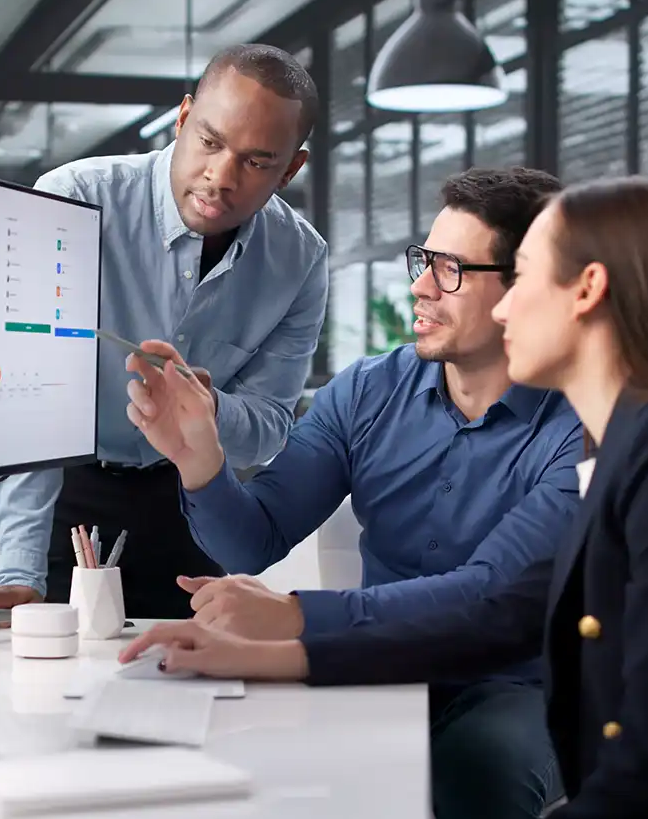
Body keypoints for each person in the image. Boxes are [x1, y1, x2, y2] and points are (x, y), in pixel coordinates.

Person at [118, 177, 648, 819]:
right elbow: (503, 613)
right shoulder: (642, 441)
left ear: (586, 289)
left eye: (526, 278)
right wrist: (258, 638)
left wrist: (284, 627)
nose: (509, 305)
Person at [126, 167, 582, 819]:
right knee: (256, 764)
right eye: (425, 260)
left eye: (451, 270)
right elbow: (252, 540)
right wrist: (199, 461)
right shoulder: (368, 391)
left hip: (519, 683)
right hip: (378, 660)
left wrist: (293, 616)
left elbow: (489, 597)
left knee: (477, 772)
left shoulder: (581, 428)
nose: (420, 287)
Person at [0, 44, 328, 620]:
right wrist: (20, 572)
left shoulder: (300, 259)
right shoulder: (71, 199)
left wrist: (206, 411)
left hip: (191, 502)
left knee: (190, 690)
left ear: (291, 169)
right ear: (182, 119)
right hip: (66, 489)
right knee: (50, 687)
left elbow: (268, 431)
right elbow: (28, 405)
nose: (220, 177)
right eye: (210, 141)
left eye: (255, 161)